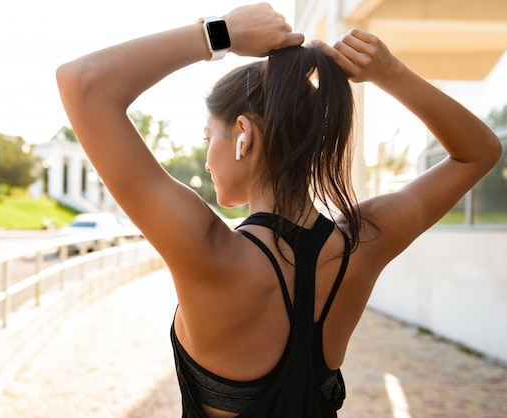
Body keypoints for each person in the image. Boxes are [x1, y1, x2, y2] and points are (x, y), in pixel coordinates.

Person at [56, 3, 501, 417]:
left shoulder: (208, 251)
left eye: (208, 136)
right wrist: (390, 73)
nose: (207, 157)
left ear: (243, 135)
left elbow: (83, 83)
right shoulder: (362, 245)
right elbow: (478, 152)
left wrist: (219, 34)